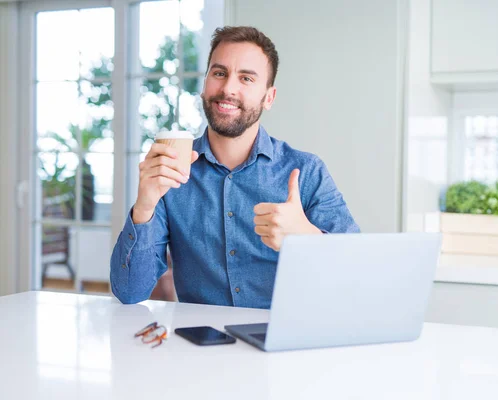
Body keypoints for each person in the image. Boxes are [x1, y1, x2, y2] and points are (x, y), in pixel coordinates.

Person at [110, 26, 359, 309]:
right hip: (201, 345)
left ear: (269, 97)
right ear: (205, 84)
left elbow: (356, 277)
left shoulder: (307, 171)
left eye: (246, 78)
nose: (228, 88)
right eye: (219, 73)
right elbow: (130, 292)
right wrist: (144, 207)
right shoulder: (172, 172)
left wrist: (307, 240)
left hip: (286, 344)